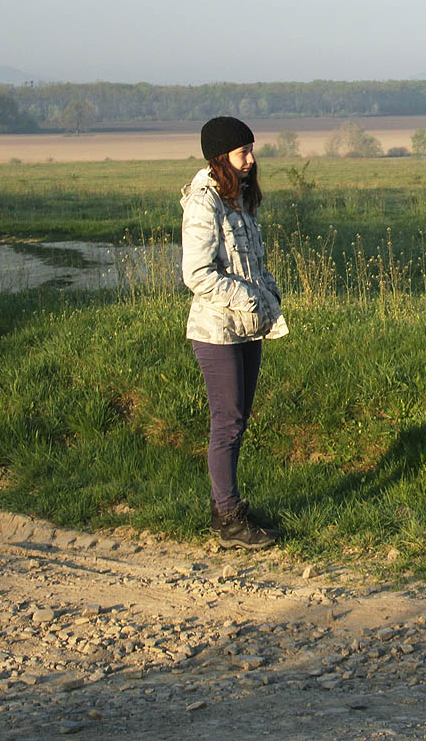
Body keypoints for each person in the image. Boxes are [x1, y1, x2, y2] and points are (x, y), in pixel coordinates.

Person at [181, 116, 288, 549]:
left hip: (248, 326)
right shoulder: (204, 202)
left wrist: (270, 293)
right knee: (227, 423)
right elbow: (197, 273)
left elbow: (254, 263)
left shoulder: (240, 198)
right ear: (220, 156)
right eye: (243, 152)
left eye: (251, 150)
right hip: (216, 330)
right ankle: (228, 519)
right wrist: (248, 298)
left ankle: (226, 507)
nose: (251, 159)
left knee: (238, 420)